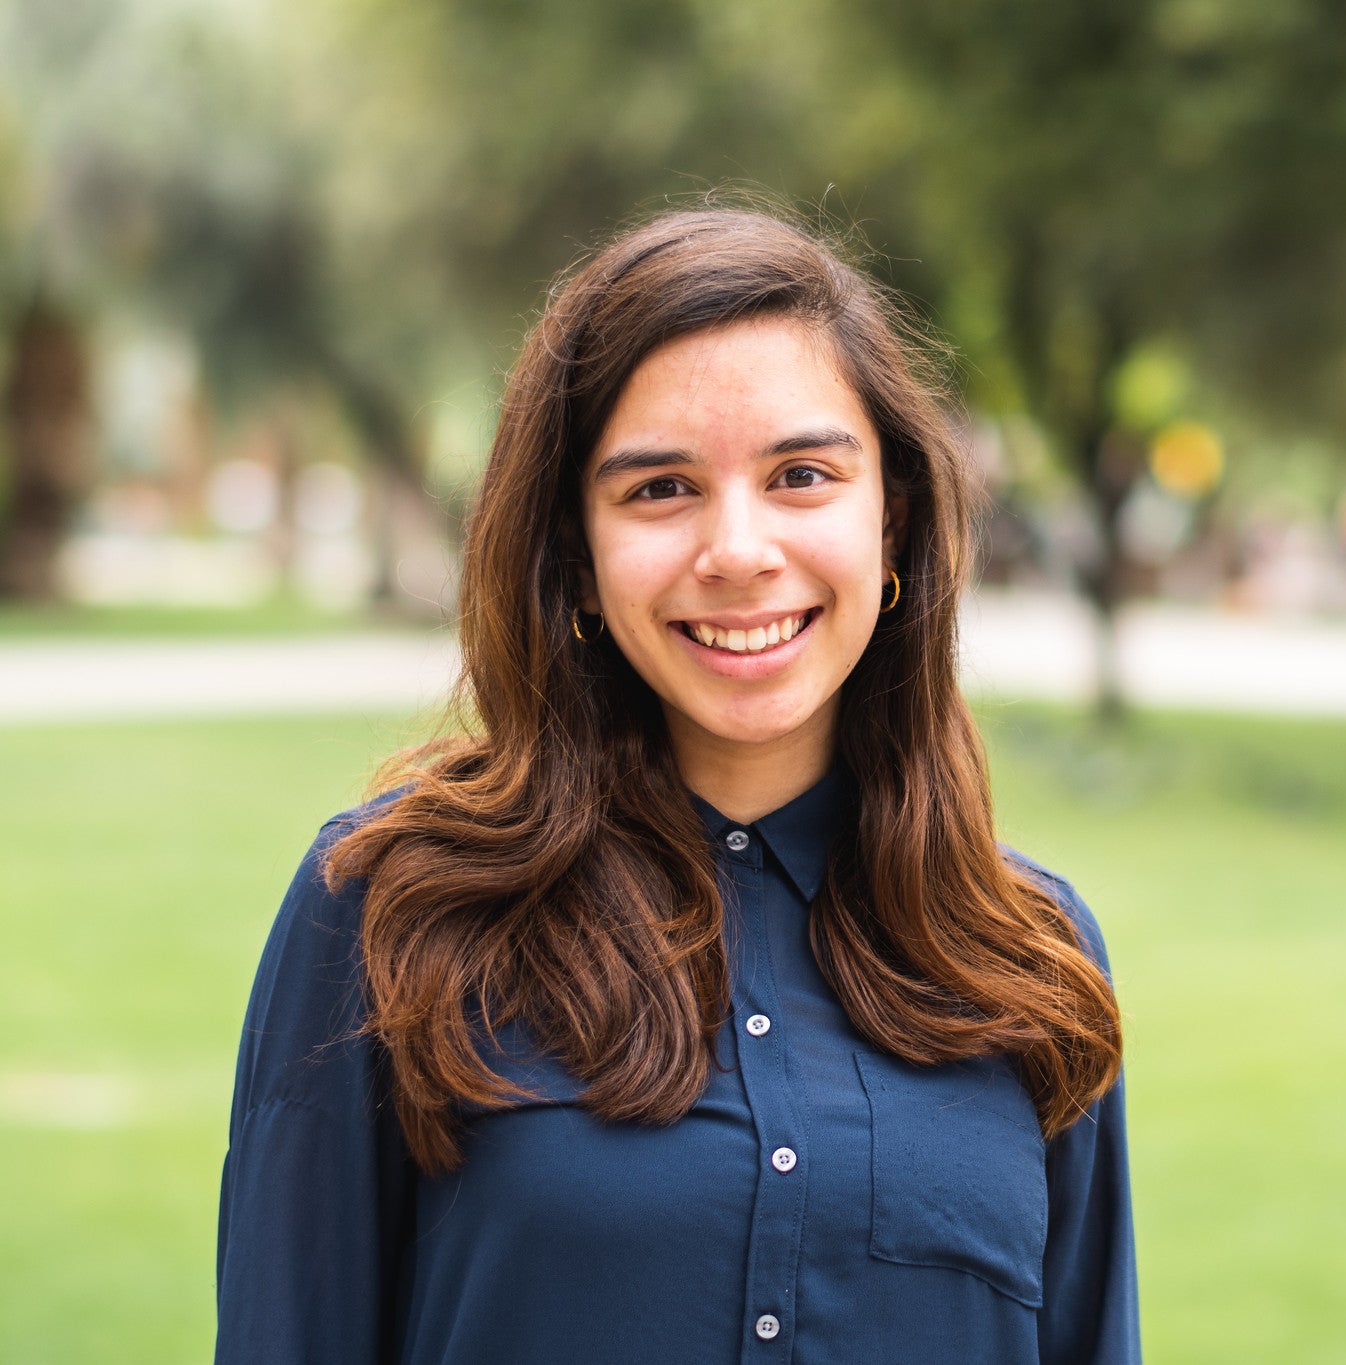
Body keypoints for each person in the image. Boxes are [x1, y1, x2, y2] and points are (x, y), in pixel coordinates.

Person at [213, 209, 1138, 1364]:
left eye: (800, 475)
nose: (737, 551)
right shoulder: (387, 912)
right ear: (576, 556)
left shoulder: (1027, 957)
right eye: (659, 490)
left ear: (888, 517)